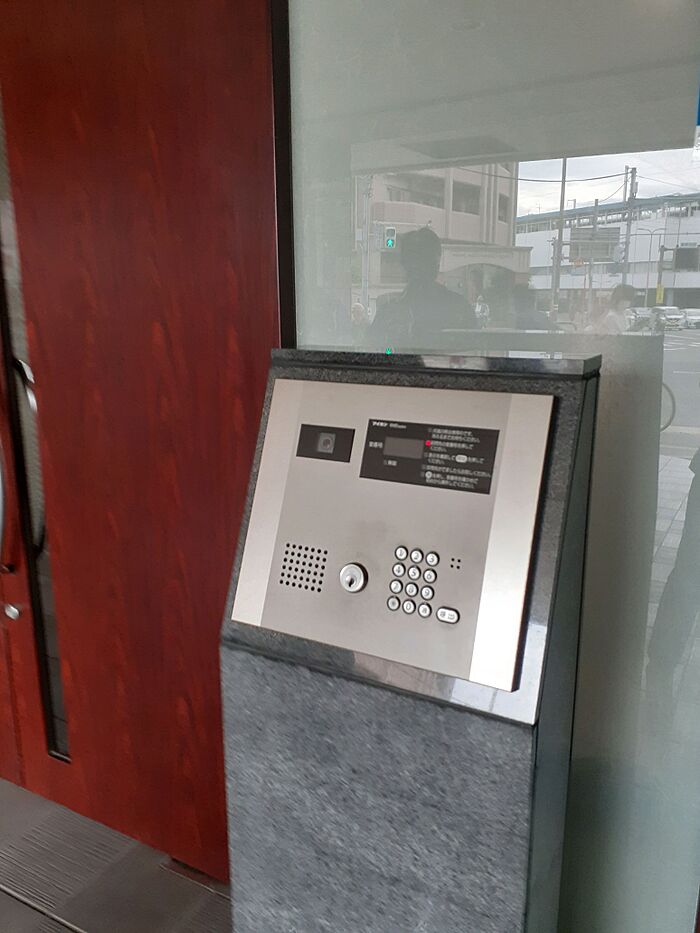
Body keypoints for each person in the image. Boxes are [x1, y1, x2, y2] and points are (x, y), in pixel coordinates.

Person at [370, 227, 476, 348]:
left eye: (422, 260)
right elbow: (472, 351)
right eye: (415, 260)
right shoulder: (459, 307)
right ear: (437, 264)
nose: (418, 267)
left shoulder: (388, 312)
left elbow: (376, 352)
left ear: (403, 264)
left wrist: (391, 348)